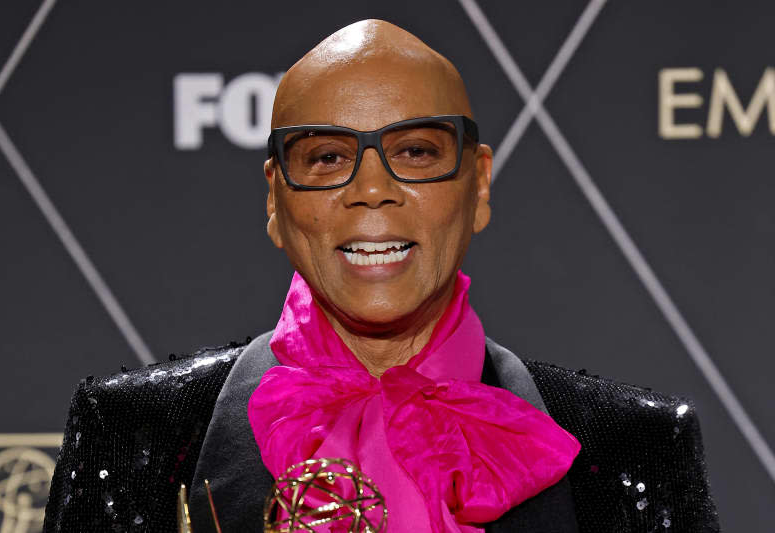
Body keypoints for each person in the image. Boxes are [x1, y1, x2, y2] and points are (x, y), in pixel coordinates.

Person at [44, 20, 719, 533]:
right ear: (276, 201)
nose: (373, 189)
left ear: (477, 184)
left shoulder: (634, 445)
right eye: (329, 156)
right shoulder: (135, 432)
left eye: (416, 151)